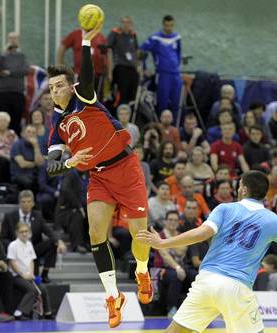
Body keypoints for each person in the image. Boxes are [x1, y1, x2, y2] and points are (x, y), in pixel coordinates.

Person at [45, 23, 153, 328]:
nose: (55, 91)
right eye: (51, 87)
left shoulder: (84, 96)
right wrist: (70, 161)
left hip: (126, 168)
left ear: (71, 86)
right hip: (99, 177)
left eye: (60, 85)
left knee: (139, 235)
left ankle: (142, 271)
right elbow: (50, 167)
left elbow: (90, 75)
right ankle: (112, 296)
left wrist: (87, 43)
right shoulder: (57, 124)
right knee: (96, 234)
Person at [137, 170, 277, 333]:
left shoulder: (225, 209)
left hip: (207, 280)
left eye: (239, 187)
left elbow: (201, 233)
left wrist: (162, 243)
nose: (237, 190)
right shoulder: (272, 220)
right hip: (237, 286)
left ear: (244, 189)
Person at [1, 190, 66, 283]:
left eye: (28, 202)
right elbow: (3, 238)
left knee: (53, 243)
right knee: (29, 280)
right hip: (16, 250)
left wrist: (59, 241)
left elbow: (48, 231)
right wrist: (15, 246)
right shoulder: (9, 216)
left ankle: (45, 274)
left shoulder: (38, 215)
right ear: (19, 203)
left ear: (33, 203)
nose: (26, 204)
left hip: (33, 249)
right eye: (23, 202)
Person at [7, 222, 53, 320]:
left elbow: (32, 260)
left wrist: (31, 273)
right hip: (17, 276)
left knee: (43, 289)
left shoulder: (29, 244)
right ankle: (19, 312)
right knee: (32, 290)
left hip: (29, 275)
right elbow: (12, 262)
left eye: (26, 231)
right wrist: (23, 275)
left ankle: (48, 313)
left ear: (29, 232)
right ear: (17, 233)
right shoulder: (13, 245)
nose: (24, 234)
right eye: (21, 232)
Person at [140, 15, 182, 119]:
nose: (169, 28)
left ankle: (174, 128)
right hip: (163, 74)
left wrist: (177, 65)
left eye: (171, 25)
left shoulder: (177, 37)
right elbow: (141, 51)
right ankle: (161, 128)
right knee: (162, 102)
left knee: (176, 103)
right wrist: (144, 68)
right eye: (167, 25)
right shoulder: (155, 38)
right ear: (163, 25)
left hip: (176, 75)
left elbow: (179, 53)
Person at [57, 24, 109, 99]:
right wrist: (60, 66)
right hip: (79, 73)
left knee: (97, 97)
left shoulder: (100, 36)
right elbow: (63, 47)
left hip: (97, 74)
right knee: (79, 96)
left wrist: (109, 72)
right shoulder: (76, 34)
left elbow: (107, 53)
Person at [0, 32, 30, 135]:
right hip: (2, 93)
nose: (13, 41)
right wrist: (4, 53)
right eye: (10, 38)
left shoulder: (22, 56)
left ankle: (14, 146)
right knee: (1, 121)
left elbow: (25, 70)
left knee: (16, 122)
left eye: (15, 38)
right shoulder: (0, 55)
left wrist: (9, 72)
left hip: (17, 93)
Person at [107, 16, 139, 105]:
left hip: (132, 68)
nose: (126, 25)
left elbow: (136, 52)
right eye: (123, 22)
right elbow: (108, 50)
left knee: (133, 95)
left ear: (131, 24)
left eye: (128, 22)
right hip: (120, 67)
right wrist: (109, 71)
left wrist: (138, 66)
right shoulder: (115, 33)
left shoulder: (133, 35)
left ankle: (129, 113)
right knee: (122, 94)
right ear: (120, 24)